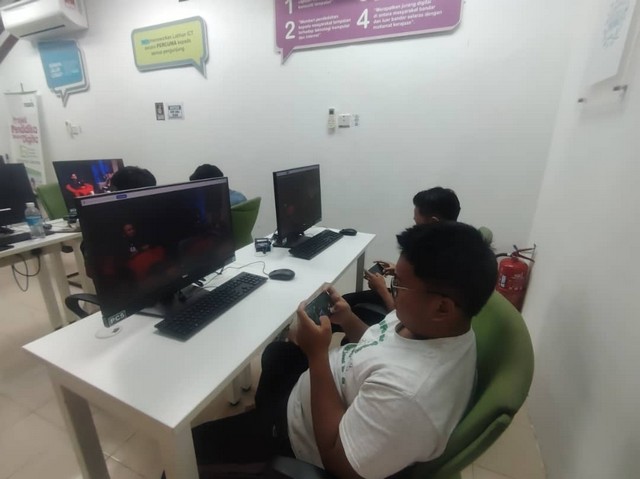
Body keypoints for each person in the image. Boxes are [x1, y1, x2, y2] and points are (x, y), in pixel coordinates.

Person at [186, 221, 497, 479]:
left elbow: (339, 461)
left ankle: (267, 434)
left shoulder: (410, 396)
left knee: (189, 451)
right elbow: (380, 344)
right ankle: (264, 416)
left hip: (303, 436)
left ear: (442, 307)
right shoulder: (434, 326)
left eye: (399, 285)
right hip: (329, 388)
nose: (392, 291)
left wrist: (318, 356)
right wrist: (347, 320)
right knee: (277, 355)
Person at [344, 187, 461, 326]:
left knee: (349, 309)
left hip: (402, 317)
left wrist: (381, 289)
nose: (414, 228)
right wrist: (399, 272)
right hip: (402, 299)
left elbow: (403, 318)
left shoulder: (438, 265)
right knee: (347, 300)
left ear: (433, 222)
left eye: (417, 224)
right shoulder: (451, 246)